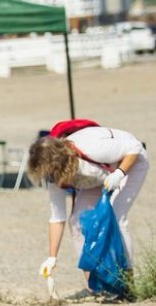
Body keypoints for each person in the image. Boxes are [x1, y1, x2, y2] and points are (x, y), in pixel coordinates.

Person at [27, 126, 149, 295]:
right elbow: (57, 217)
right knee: (77, 222)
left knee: (117, 219)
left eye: (51, 173)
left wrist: (120, 173)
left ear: (59, 164)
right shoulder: (53, 176)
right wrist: (52, 257)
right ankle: (96, 286)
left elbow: (134, 146)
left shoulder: (90, 148)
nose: (50, 179)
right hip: (97, 177)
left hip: (130, 164)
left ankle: (127, 284)